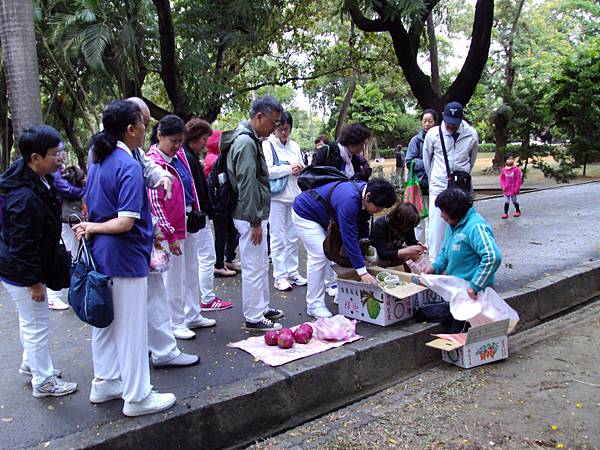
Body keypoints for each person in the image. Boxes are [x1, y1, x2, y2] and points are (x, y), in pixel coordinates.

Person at [73, 100, 175, 416]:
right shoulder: (127, 164)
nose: (148, 129)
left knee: (106, 323)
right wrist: (94, 225)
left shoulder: (99, 160)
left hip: (102, 256)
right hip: (125, 256)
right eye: (143, 124)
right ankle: (138, 395)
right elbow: (126, 221)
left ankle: (105, 382)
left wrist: (92, 227)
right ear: (131, 129)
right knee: (131, 329)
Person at [0, 125, 78, 398]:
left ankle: (31, 365)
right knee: (37, 324)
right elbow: (23, 247)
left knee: (30, 321)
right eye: (55, 154)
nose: (60, 158)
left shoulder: (35, 179)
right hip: (21, 272)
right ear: (35, 158)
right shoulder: (24, 197)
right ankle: (43, 382)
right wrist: (34, 283)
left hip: (18, 268)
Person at [125, 98, 199, 369]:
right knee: (158, 290)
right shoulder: (128, 158)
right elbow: (152, 202)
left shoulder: (138, 157)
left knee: (157, 290)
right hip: (144, 236)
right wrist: (162, 233)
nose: (145, 129)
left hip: (150, 232)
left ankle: (156, 346)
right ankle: (163, 346)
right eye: (143, 124)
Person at [147, 115, 217, 340]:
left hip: (188, 219)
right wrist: (170, 234)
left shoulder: (180, 157)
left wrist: (196, 209)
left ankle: (192, 313)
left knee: (191, 269)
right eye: (173, 141)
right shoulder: (153, 162)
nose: (177, 145)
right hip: (169, 226)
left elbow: (192, 187)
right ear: (159, 135)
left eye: (180, 140)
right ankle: (175, 321)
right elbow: (156, 204)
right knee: (174, 276)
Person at [292, 178, 397, 318]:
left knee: (338, 253)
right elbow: (349, 237)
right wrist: (362, 271)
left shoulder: (365, 197)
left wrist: (365, 246)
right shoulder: (349, 200)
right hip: (306, 213)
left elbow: (363, 223)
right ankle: (314, 305)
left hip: (325, 217)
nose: (380, 210)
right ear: (368, 196)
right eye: (379, 207)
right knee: (319, 255)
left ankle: (337, 290)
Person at [223, 95, 285, 331]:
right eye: (274, 122)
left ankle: (262, 307)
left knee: (260, 263)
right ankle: (253, 316)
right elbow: (247, 184)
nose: (275, 128)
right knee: (253, 265)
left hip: (253, 214)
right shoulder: (246, 142)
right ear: (259, 117)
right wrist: (255, 221)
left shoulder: (251, 138)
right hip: (249, 216)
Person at [183, 117, 233, 311]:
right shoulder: (190, 159)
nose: (205, 143)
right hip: (198, 216)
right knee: (206, 257)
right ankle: (207, 298)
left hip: (196, 214)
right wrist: (208, 210)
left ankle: (197, 301)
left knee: (197, 259)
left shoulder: (189, 157)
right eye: (204, 139)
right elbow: (198, 190)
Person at [423, 101, 478, 261]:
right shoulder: (433, 134)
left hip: (461, 187)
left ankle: (457, 261)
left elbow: (472, 159)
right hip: (439, 185)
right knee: (437, 226)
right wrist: (436, 177)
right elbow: (427, 160)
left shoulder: (471, 134)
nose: (451, 126)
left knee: (460, 224)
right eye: (448, 122)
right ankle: (434, 262)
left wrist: (461, 176)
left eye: (455, 123)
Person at [426, 188, 502, 301]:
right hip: (457, 288)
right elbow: (445, 250)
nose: (441, 215)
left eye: (443, 211)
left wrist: (475, 285)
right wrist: (435, 267)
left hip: (475, 294)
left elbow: (493, 257)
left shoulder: (475, 227)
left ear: (454, 211)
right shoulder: (452, 225)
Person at [262, 111, 307, 292]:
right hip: (277, 198)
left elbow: (300, 165)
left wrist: (299, 168)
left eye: (287, 129)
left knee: (292, 237)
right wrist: (289, 168)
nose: (283, 133)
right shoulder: (268, 145)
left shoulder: (294, 145)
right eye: (280, 129)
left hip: (294, 195)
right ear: (275, 128)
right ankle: (279, 276)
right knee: (278, 237)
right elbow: (268, 171)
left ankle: (293, 272)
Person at [46, 164, 86, 310]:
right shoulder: (57, 174)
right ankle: (52, 296)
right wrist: (83, 190)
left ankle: (74, 293)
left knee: (74, 256)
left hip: (70, 223)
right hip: (67, 222)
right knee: (67, 257)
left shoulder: (59, 171)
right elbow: (64, 188)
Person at [204, 130, 240, 278]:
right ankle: (219, 264)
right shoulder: (214, 159)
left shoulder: (216, 157)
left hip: (223, 203)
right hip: (219, 203)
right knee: (221, 235)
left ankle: (228, 259)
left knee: (231, 232)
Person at [406, 109, 438, 243]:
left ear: (435, 122)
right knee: (418, 219)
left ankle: (431, 248)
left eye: (430, 121)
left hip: (435, 186)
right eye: (424, 121)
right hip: (419, 186)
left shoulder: (440, 139)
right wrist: (427, 162)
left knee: (433, 218)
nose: (427, 124)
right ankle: (419, 246)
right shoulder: (416, 141)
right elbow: (409, 162)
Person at [370, 202, 426, 267]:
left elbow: (410, 241)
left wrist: (418, 245)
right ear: (398, 220)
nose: (408, 230)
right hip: (378, 258)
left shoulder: (407, 225)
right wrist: (406, 251)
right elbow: (382, 254)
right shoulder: (380, 225)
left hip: (394, 253)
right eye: (407, 227)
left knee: (414, 255)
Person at [499, 152, 522, 219]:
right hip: (506, 189)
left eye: (512, 159)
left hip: (513, 189)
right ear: (505, 160)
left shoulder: (516, 170)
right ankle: (505, 213)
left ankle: (517, 211)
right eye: (508, 159)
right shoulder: (504, 170)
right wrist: (502, 186)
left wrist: (517, 188)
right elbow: (502, 179)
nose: (510, 160)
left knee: (514, 201)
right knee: (506, 201)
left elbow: (518, 179)